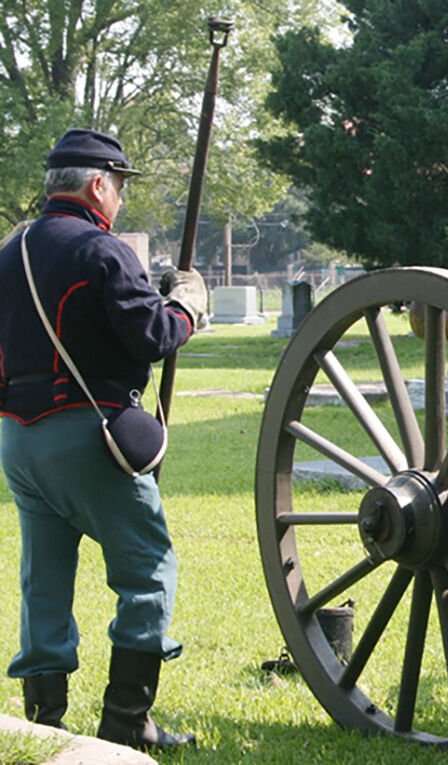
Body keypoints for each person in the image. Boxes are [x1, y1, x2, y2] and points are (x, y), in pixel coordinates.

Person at [0, 129, 207, 748]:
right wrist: (188, 307)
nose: (118, 200)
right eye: (118, 187)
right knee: (146, 570)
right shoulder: (101, 249)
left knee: (45, 577)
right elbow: (151, 337)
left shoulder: (8, 252)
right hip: (87, 437)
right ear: (97, 185)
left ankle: (43, 724)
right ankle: (127, 724)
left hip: (17, 438)